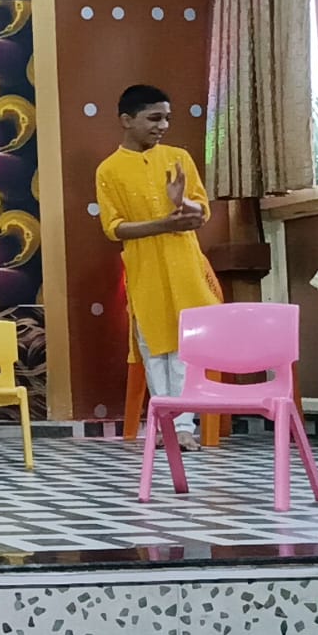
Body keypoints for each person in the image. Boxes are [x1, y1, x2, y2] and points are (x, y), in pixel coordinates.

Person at [95, 84, 220, 452]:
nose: (163, 125)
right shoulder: (109, 170)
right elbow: (114, 228)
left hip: (185, 267)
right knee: (154, 348)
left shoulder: (178, 158)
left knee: (184, 347)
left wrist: (182, 203)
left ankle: (183, 426)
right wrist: (163, 224)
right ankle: (166, 424)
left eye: (167, 118)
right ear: (126, 120)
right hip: (144, 270)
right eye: (154, 118)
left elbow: (201, 212)